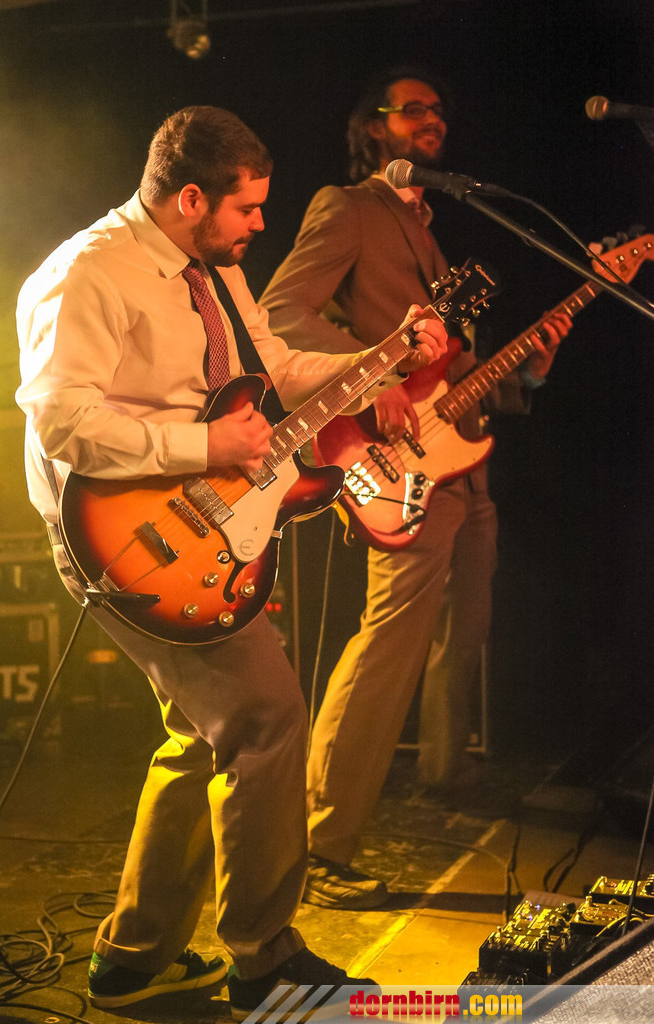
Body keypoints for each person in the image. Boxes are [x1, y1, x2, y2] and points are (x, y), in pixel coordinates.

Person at [15, 105, 448, 1017]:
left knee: (202, 731)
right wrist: (203, 446)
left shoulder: (214, 269)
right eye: (247, 207)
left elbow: (275, 364)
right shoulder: (89, 271)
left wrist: (384, 359)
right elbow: (61, 420)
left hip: (198, 523)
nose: (260, 223)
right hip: (129, 543)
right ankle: (264, 959)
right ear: (190, 198)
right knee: (267, 715)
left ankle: (133, 959)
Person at [261, 68, 572, 911]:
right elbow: (280, 311)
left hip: (459, 464)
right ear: (375, 128)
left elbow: (454, 375)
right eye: (414, 109)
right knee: (389, 641)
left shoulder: (430, 234)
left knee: (466, 628)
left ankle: (445, 773)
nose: (433, 118)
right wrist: (370, 376)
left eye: (439, 108)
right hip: (397, 464)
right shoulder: (348, 207)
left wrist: (527, 370)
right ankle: (318, 844)